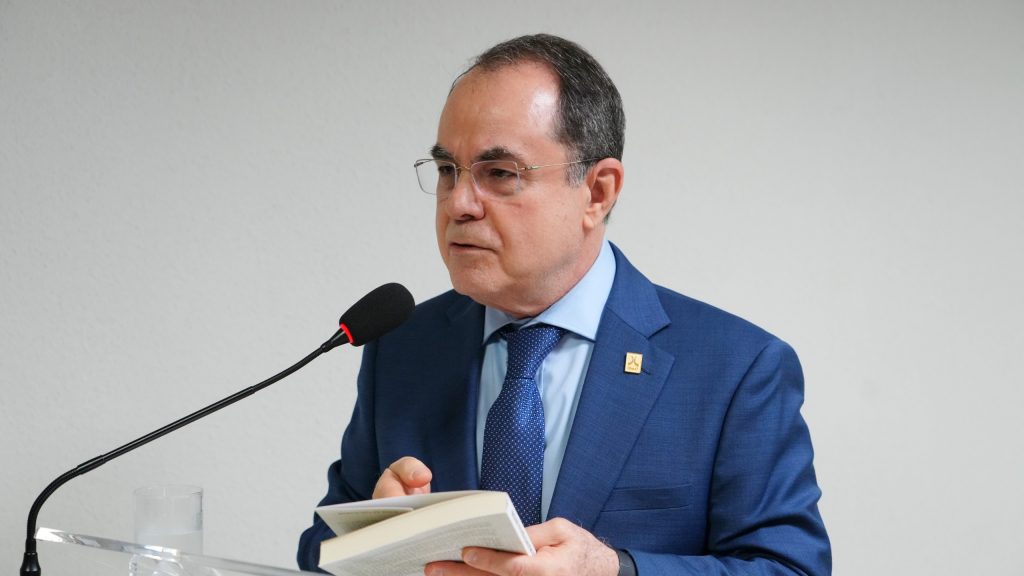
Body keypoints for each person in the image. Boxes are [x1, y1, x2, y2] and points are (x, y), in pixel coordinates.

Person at [298, 34, 831, 575]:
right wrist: (379, 545)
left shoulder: (736, 368)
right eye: (446, 171)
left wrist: (614, 570)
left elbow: (791, 568)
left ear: (598, 192)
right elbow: (317, 553)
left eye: (499, 173)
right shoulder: (403, 347)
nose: (458, 203)